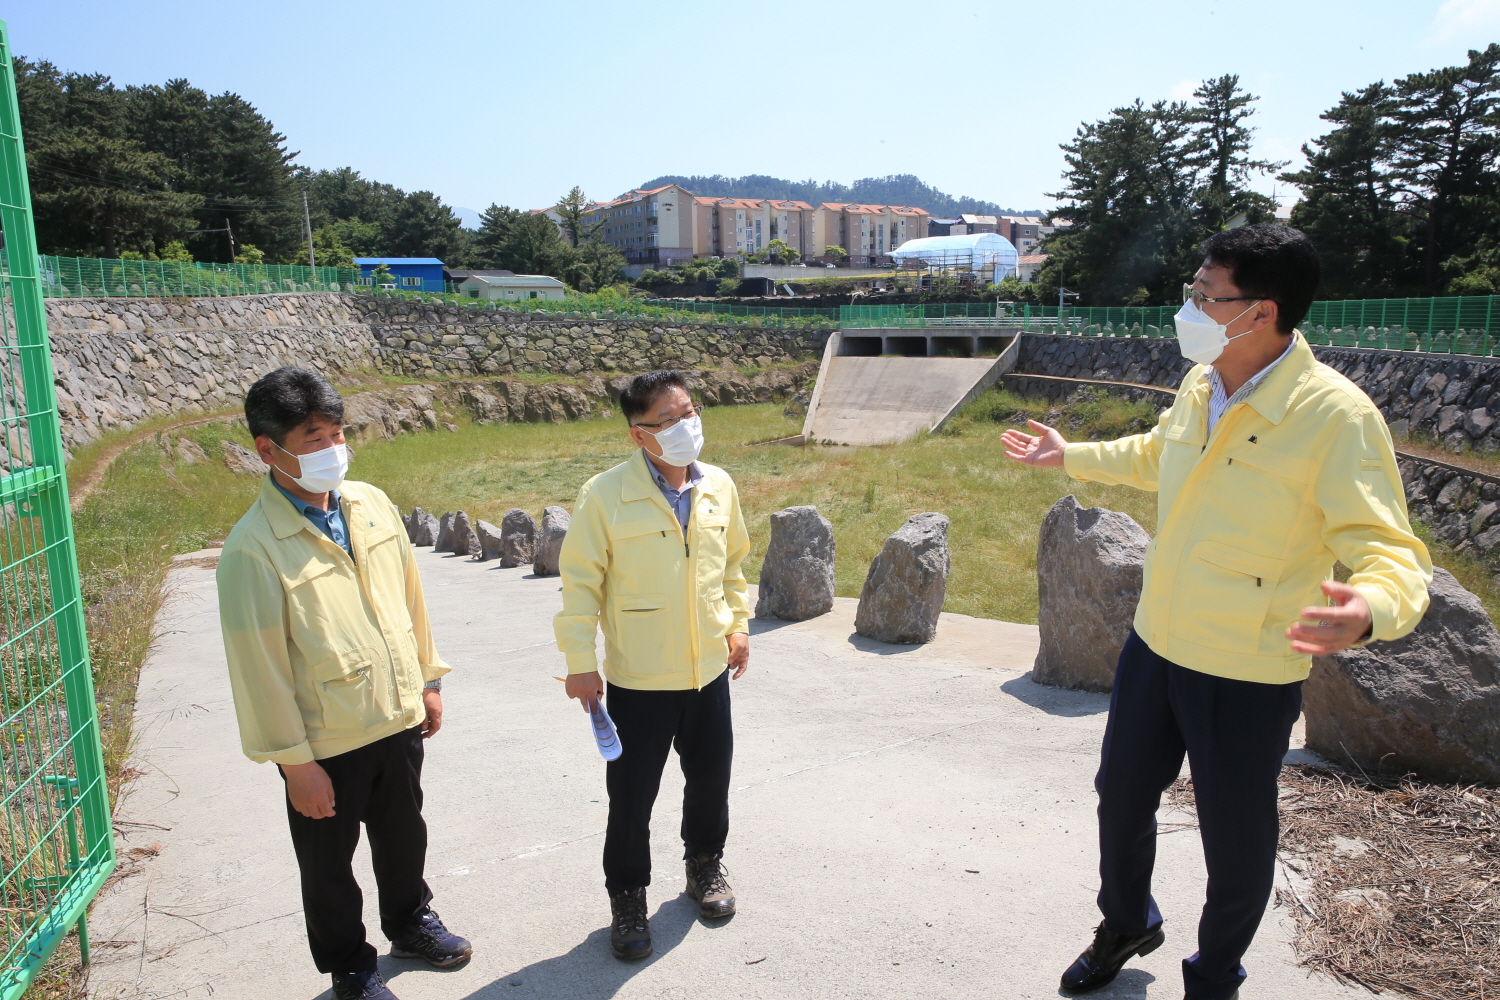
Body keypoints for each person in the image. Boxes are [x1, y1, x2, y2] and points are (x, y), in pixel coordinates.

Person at [1001, 224, 1432, 1000]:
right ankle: (1126, 921)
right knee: (1121, 795)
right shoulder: (1204, 383)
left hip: (1246, 664)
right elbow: (1156, 453)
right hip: (1158, 642)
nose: (1190, 305)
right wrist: (1071, 454)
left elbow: (1391, 549)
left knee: (1235, 839)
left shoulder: (1335, 415)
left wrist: (1369, 607)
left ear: (1260, 312)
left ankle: (1215, 974)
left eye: (1206, 294)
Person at [216, 367, 471, 1000]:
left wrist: (429, 678)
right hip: (325, 740)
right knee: (328, 863)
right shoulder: (253, 549)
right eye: (313, 438)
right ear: (267, 450)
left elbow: (410, 599)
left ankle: (410, 921)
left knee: (405, 831)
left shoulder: (371, 504)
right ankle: (350, 965)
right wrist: (294, 763)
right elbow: (259, 670)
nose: (333, 449)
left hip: (397, 712)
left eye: (337, 433)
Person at [553, 369, 752, 961]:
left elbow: (734, 565)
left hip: (707, 673)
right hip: (639, 679)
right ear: (639, 435)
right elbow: (580, 585)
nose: (685, 426)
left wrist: (737, 625)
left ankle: (704, 867)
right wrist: (579, 664)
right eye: (667, 420)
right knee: (632, 799)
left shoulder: (718, 485)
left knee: (711, 782)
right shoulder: (605, 494)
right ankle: (628, 897)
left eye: (688, 412)